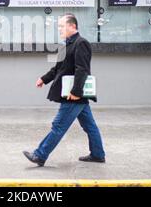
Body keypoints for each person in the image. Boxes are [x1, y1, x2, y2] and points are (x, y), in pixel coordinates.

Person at [23, 13, 105, 167]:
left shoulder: (81, 43)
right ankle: (98, 154)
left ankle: (40, 155)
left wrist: (75, 92)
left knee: (59, 125)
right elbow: (57, 69)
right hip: (73, 94)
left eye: (62, 26)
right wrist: (44, 79)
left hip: (73, 95)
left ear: (72, 26)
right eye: (58, 26)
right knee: (89, 126)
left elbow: (82, 69)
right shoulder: (66, 45)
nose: (59, 29)